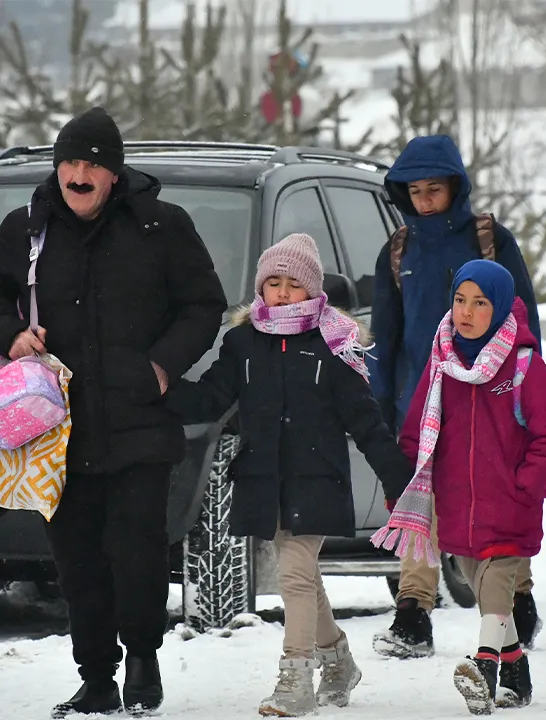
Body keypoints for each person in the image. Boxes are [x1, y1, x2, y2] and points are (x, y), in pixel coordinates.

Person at [0, 107, 226, 718]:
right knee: (77, 560)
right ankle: (96, 676)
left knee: (136, 551)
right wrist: (12, 335)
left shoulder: (162, 226)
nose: (78, 174)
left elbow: (204, 304)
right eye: (69, 162)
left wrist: (161, 366)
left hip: (139, 423)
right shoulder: (24, 230)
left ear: (114, 173)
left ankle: (144, 661)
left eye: (92, 164)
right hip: (56, 431)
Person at [166, 233, 412, 717]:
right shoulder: (242, 342)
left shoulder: (332, 346)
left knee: (295, 575)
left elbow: (366, 421)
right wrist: (157, 390)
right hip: (263, 479)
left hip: (316, 480)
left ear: (313, 291)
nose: (281, 292)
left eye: (292, 284)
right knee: (303, 579)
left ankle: (295, 677)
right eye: (273, 282)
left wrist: (399, 481)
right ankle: (338, 660)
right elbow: (211, 399)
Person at [369, 135, 544, 658]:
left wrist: (526, 387)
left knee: (496, 503)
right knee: (419, 502)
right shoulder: (398, 251)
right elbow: (386, 333)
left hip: (490, 399)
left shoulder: (490, 240)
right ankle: (413, 612)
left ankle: (518, 596)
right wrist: (382, 402)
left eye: (434, 188)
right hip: (420, 402)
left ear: (454, 188)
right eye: (415, 190)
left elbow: (523, 317)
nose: (424, 199)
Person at [374, 260, 546, 714]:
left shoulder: (522, 366)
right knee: (478, 581)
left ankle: (485, 665)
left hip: (511, 500)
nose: (467, 311)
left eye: (480, 303)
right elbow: (417, 426)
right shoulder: (443, 364)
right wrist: (404, 482)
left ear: (498, 308)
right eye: (461, 300)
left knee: (498, 575)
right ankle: (516, 670)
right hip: (457, 500)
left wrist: (527, 483)